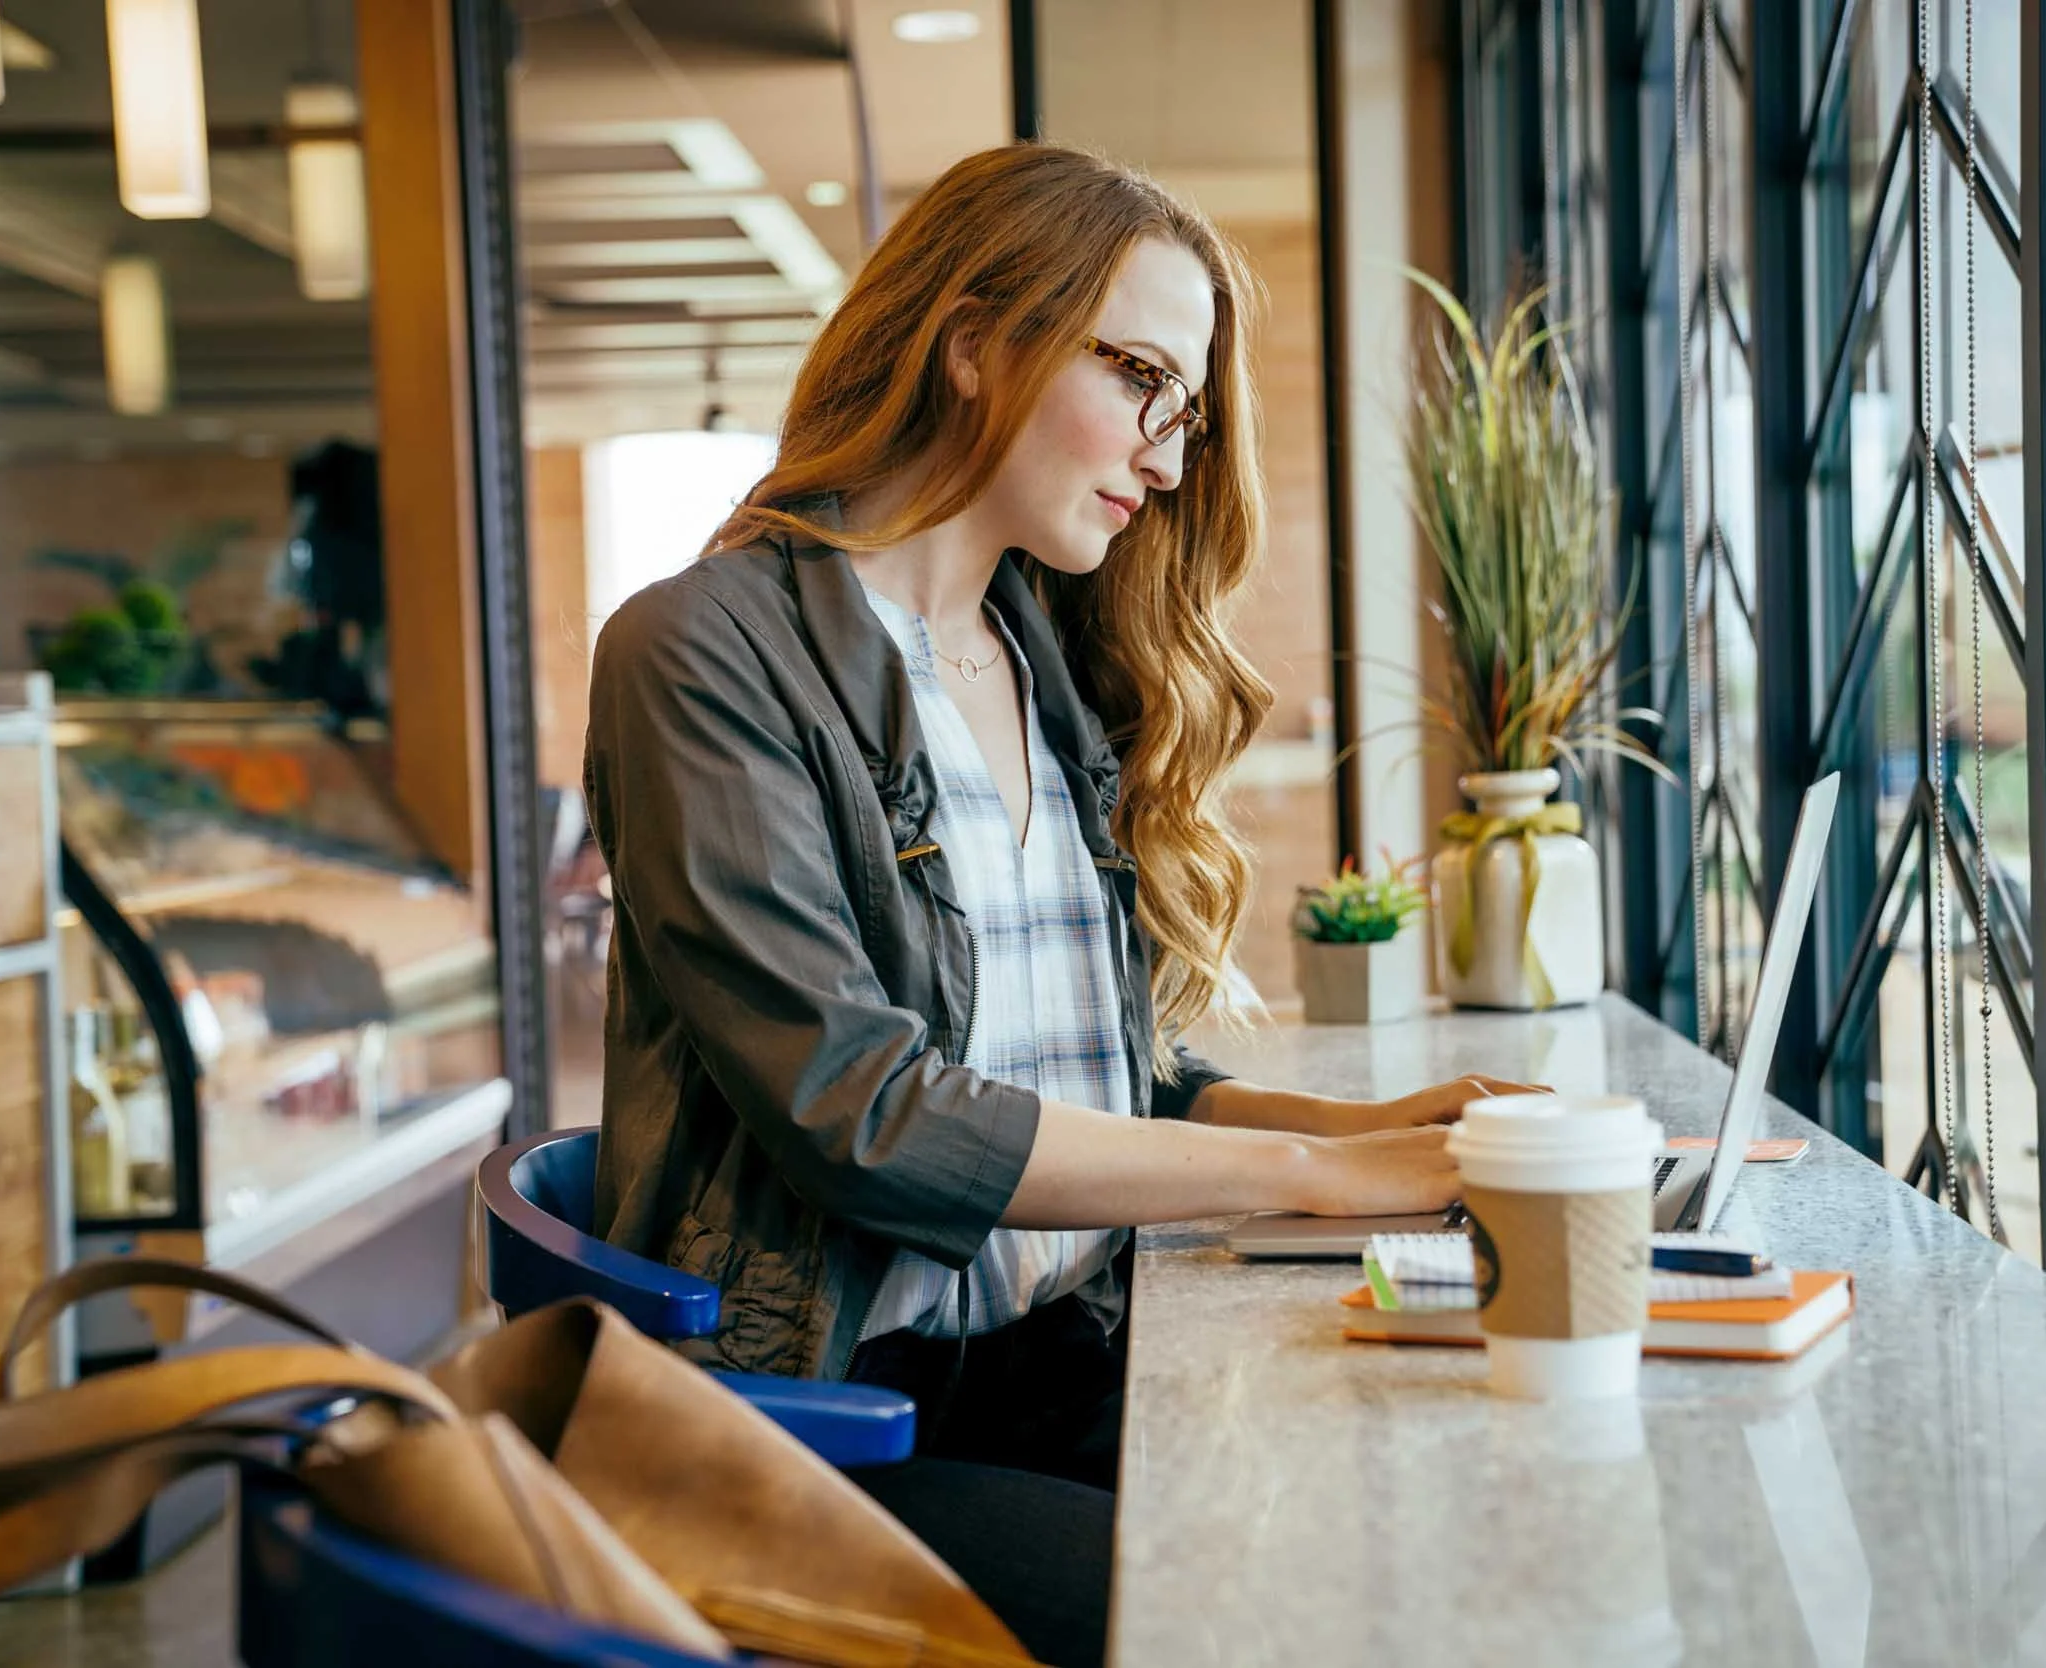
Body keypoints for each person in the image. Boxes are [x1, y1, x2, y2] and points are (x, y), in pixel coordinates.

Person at [584, 142, 1524, 1665]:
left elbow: (1081, 1076)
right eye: (1139, 378)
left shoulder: (1046, 660)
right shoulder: (700, 652)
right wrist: (1314, 1173)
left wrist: (1381, 1131)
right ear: (973, 344)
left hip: (1068, 1354)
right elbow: (861, 1113)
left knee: (1433, 1516)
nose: (1169, 458)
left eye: (1186, 411)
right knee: (1268, 1621)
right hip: (832, 1419)